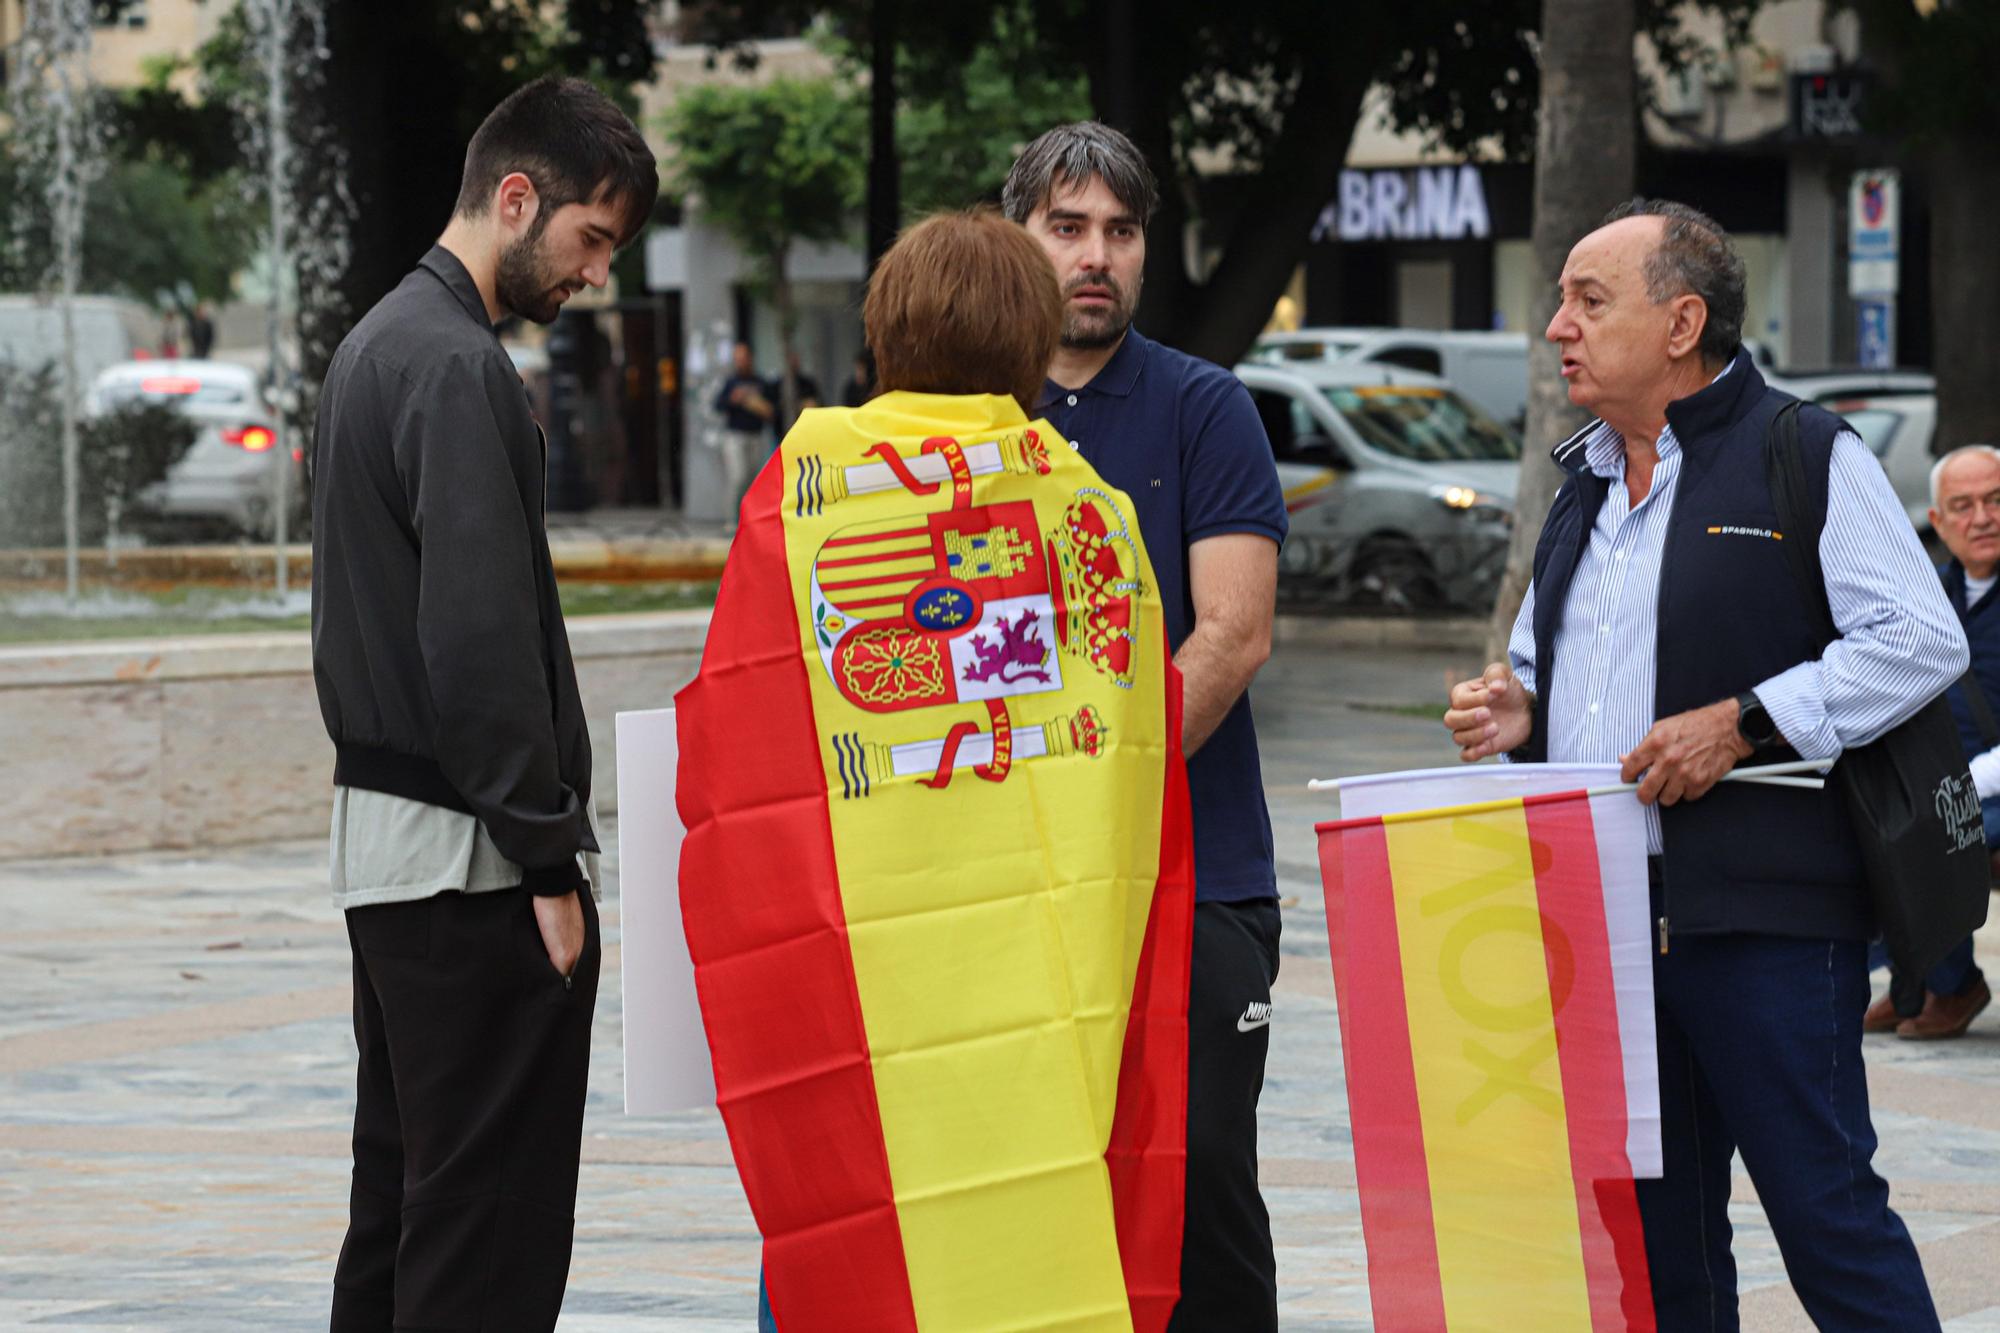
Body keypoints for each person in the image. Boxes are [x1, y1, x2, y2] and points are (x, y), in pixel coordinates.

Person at [1444, 199, 1961, 1329]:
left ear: (1680, 322)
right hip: (1601, 922)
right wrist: (1509, 708)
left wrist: (1743, 719)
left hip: (1766, 921)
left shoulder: (1802, 451)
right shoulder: (1581, 479)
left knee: (1823, 1214)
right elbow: (1542, 669)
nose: (1554, 329)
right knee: (1655, 1241)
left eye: (1586, 300)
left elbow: (1920, 641)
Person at [310, 76, 657, 1333]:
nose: (593, 275)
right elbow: (478, 642)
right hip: (471, 867)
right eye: (591, 238)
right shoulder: (456, 366)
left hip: (398, 858)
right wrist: (549, 861)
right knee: (484, 1238)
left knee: (407, 1205)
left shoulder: (376, 344)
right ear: (517, 197)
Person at [1003, 121, 1289, 1332]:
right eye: (1066, 227)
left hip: (1197, 875)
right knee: (1037, 1198)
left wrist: (1091, 791)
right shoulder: (963, 419)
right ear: (1013, 236)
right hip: (1012, 886)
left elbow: (1229, 635)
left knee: (1201, 1177)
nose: (1094, 255)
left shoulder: (1203, 406)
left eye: (1119, 232)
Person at [1864, 444, 2000, 1038]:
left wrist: (1961, 785)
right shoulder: (1926, 593)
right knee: (1858, 824)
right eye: (1963, 506)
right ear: (1938, 521)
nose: (1982, 518)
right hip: (1947, 778)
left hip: (1983, 785)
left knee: (1930, 834)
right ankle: (1913, 979)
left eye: (1996, 501)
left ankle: (1952, 987)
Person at [712, 340, 774, 524]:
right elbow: (717, 406)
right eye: (737, 358)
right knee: (737, 478)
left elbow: (771, 410)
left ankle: (750, 522)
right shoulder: (731, 382)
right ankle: (732, 521)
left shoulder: (760, 382)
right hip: (735, 437)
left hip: (756, 435)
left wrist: (763, 407)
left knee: (753, 480)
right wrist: (732, 399)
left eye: (743, 357)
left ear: (750, 358)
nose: (740, 361)